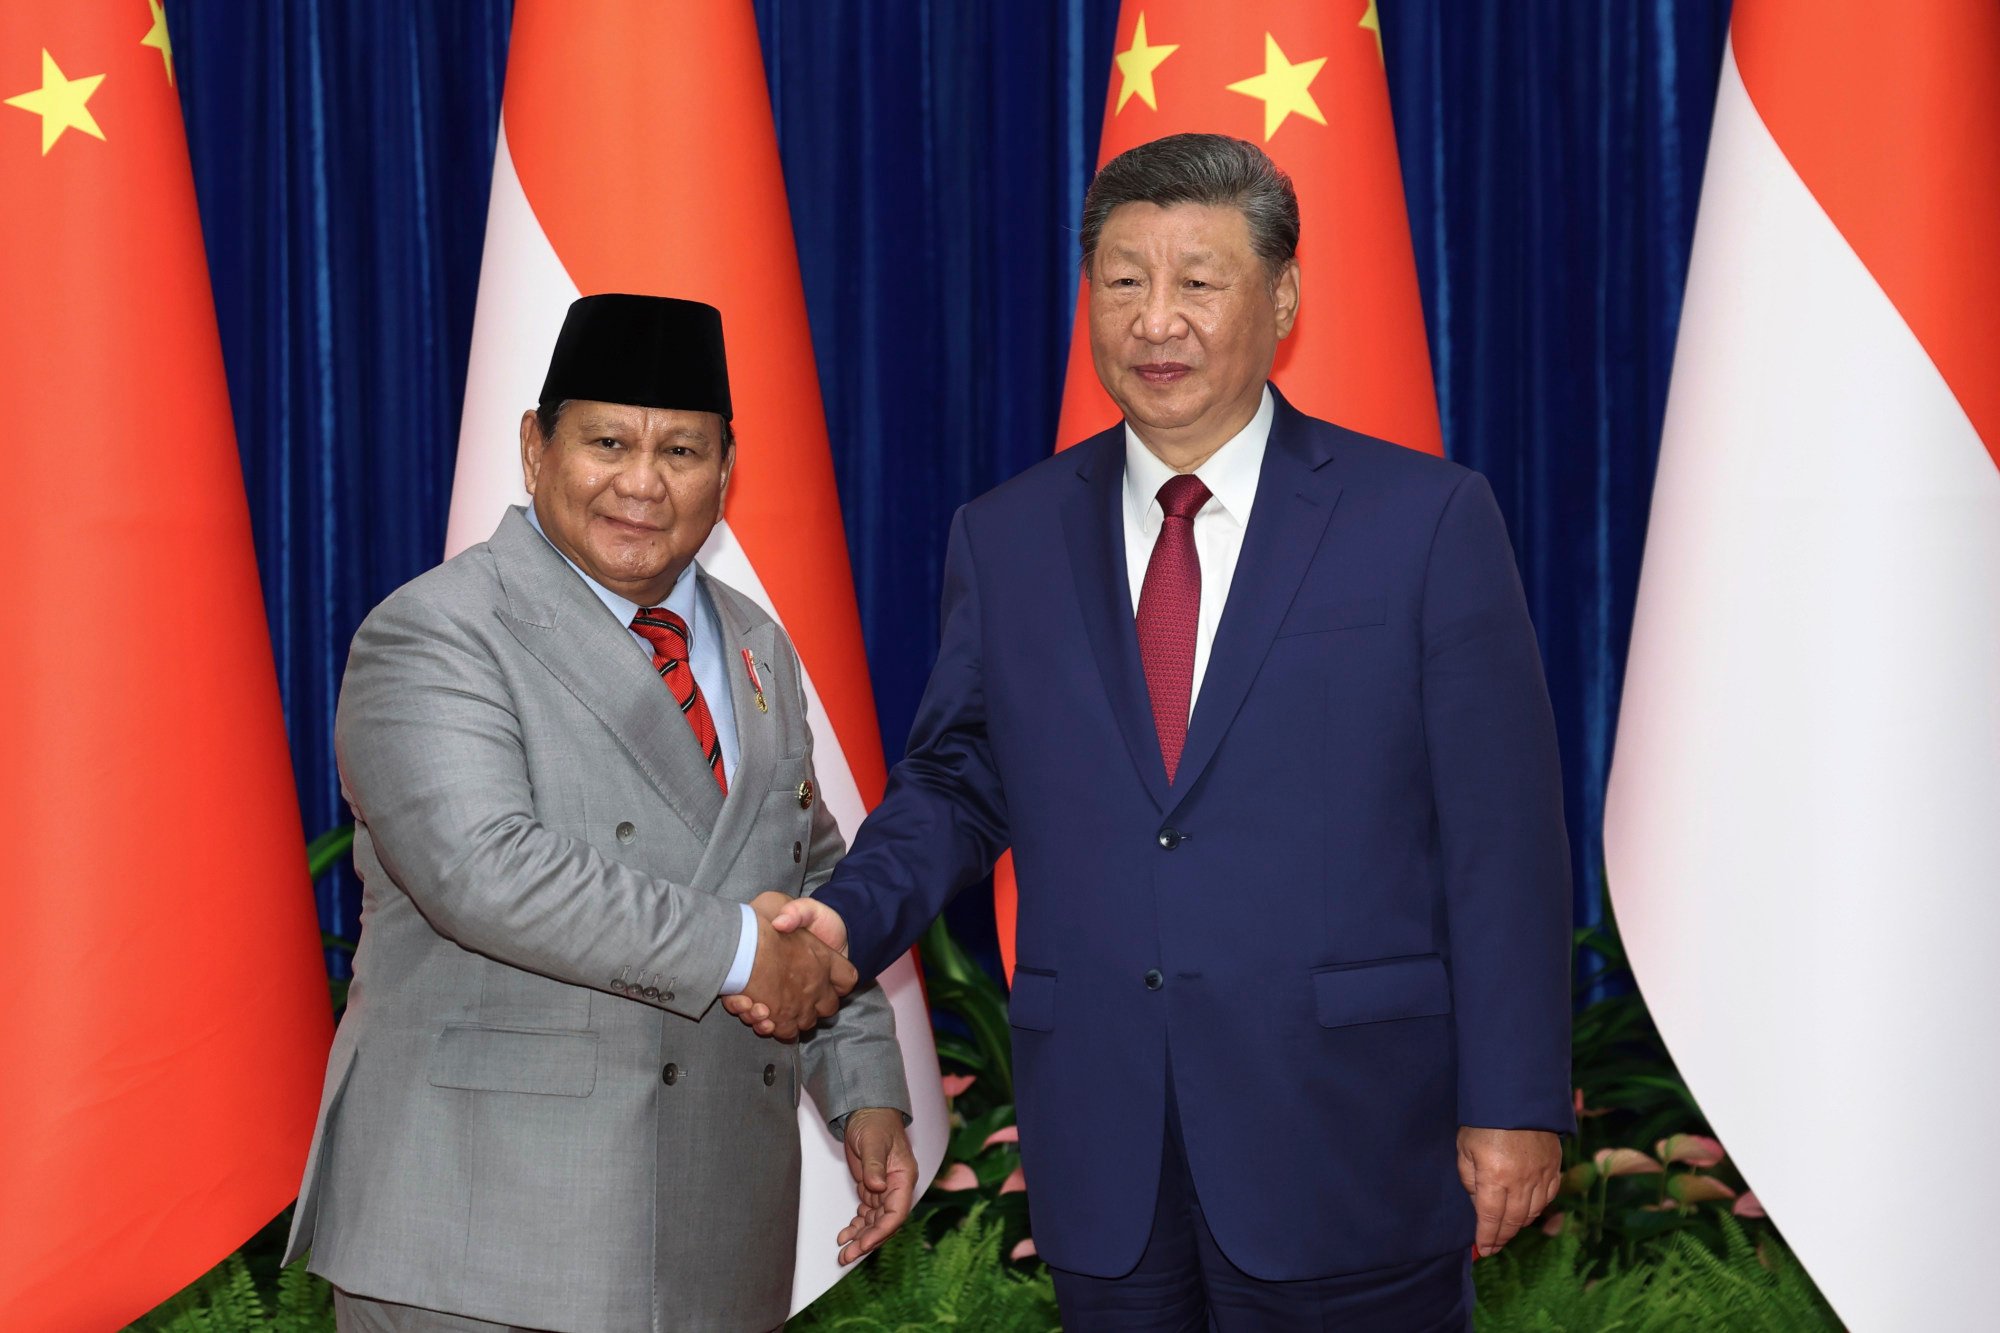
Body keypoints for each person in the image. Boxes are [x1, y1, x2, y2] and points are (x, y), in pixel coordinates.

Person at [749, 135, 1574, 1328]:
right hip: (1106, 1148)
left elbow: (1501, 836)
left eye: (1199, 280)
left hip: (1344, 1138)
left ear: (1280, 298)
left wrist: (1514, 1100)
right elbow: (957, 777)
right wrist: (841, 921)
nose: (1157, 319)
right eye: (1124, 280)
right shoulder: (1008, 534)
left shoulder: (1423, 519)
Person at [286, 294, 915, 1333]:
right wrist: (738, 952)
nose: (641, 482)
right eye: (608, 441)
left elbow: (804, 882)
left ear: (726, 469)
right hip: (488, 1242)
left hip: (714, 1239)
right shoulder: (437, 633)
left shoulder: (755, 643)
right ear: (535, 449)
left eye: (681, 448)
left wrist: (863, 1089)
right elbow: (487, 871)